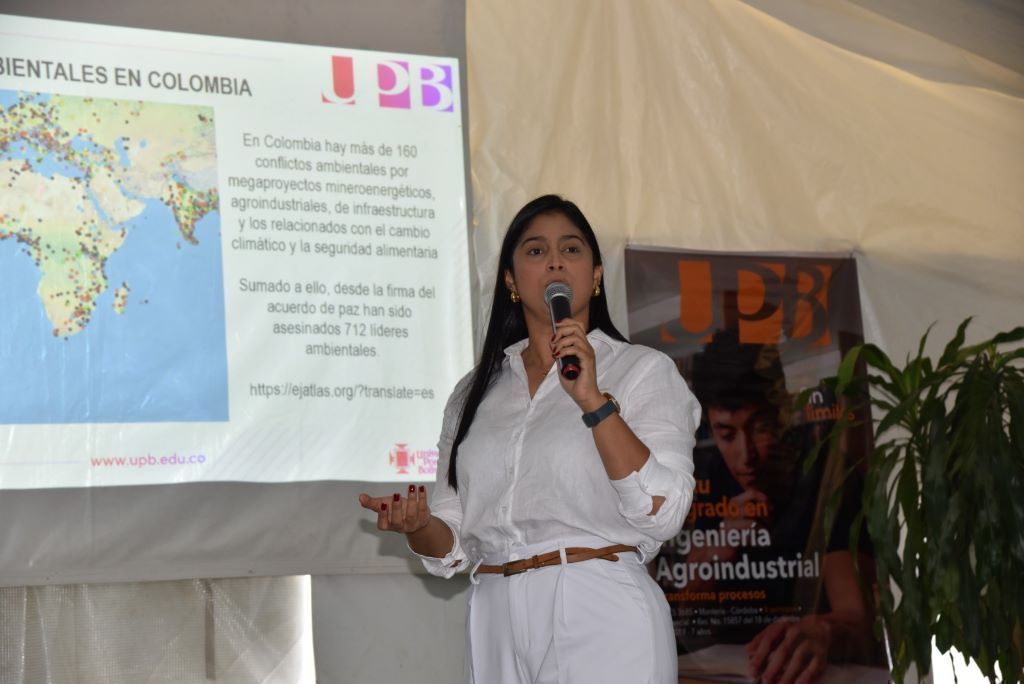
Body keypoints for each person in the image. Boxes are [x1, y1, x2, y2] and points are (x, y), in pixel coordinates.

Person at [359, 194, 700, 683]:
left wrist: (593, 401)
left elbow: (664, 512)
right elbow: (453, 539)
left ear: (597, 274)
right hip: (494, 608)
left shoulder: (641, 371)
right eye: (536, 251)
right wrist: (418, 527)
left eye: (572, 249)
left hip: (598, 606)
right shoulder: (474, 392)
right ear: (512, 281)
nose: (556, 260)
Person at [677, 329, 881, 683]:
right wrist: (713, 557)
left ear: (783, 413)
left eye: (760, 428)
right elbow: (677, 617)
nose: (746, 456)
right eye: (726, 434)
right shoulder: (700, 478)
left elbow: (856, 617)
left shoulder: (823, 475)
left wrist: (822, 632)